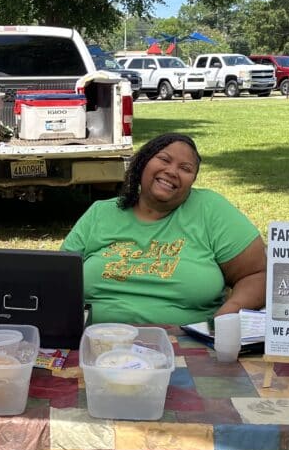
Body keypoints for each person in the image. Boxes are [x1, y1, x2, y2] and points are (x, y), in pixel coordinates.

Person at [61, 132, 266, 325]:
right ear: (143, 163)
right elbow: (58, 276)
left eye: (185, 169)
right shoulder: (101, 213)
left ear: (192, 181)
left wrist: (228, 314)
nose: (172, 171)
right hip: (97, 340)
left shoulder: (210, 210)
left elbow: (258, 274)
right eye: (164, 160)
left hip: (187, 343)